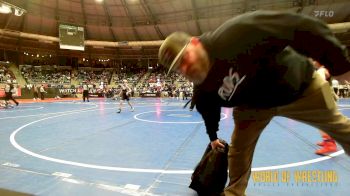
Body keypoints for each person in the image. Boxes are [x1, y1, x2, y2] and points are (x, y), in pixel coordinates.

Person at [158, 10, 350, 196]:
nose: (184, 68)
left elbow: (297, 25)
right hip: (253, 107)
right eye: (177, 68)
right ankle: (234, 192)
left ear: (195, 42)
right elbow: (208, 109)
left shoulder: (235, 34)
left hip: (298, 87)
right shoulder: (201, 86)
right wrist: (213, 137)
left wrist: (340, 65)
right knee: (238, 152)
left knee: (340, 127)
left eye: (184, 58)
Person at [310, 59, 338, 155]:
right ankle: (328, 141)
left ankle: (330, 144)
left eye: (314, 61)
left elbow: (320, 84)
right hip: (327, 94)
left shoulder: (322, 70)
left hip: (325, 95)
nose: (313, 63)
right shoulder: (323, 70)